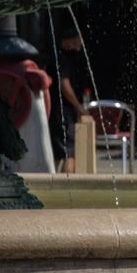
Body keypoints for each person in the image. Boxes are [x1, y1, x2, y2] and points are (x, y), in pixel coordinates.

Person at [56, 26, 92, 173]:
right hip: (64, 112)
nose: (81, 44)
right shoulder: (62, 58)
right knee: (69, 152)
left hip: (59, 111)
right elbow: (65, 85)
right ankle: (68, 185)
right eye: (79, 40)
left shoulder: (61, 56)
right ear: (69, 41)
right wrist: (78, 107)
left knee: (60, 152)